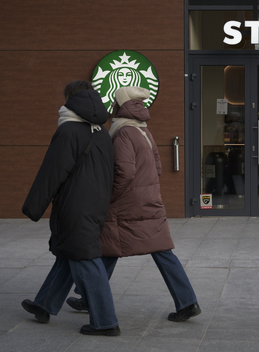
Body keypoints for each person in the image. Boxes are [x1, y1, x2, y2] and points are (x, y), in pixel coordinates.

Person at [66, 86, 201, 322]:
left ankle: (89, 297)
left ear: (120, 106)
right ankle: (187, 301)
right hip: (148, 199)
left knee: (107, 245)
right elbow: (157, 166)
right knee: (156, 250)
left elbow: (125, 172)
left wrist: (110, 196)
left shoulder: (123, 132)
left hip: (128, 203)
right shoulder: (143, 131)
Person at [21, 80, 120, 336]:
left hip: (75, 207)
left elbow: (51, 173)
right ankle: (44, 304)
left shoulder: (68, 131)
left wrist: (33, 207)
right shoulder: (101, 133)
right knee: (69, 253)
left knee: (86, 259)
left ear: (71, 100)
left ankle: (106, 322)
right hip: (96, 205)